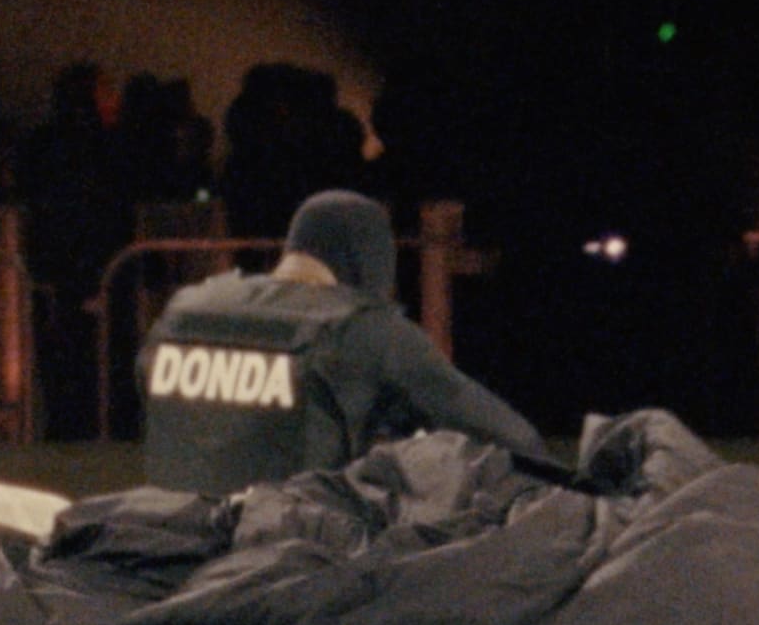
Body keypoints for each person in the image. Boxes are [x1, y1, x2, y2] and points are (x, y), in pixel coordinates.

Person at [137, 189, 546, 496]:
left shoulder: (186, 310)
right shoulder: (360, 326)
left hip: (166, 546)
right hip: (287, 563)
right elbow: (508, 436)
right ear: (367, 261)